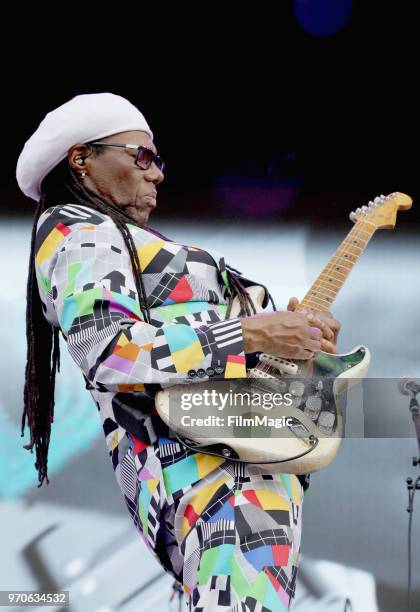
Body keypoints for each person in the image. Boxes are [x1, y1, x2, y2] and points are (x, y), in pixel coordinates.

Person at [16, 93, 340, 611]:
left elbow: (206, 358)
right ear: (81, 159)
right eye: (141, 156)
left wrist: (297, 344)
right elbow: (108, 349)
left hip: (232, 474)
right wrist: (254, 335)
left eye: (157, 160)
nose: (157, 174)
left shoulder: (119, 240)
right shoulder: (80, 231)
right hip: (211, 482)